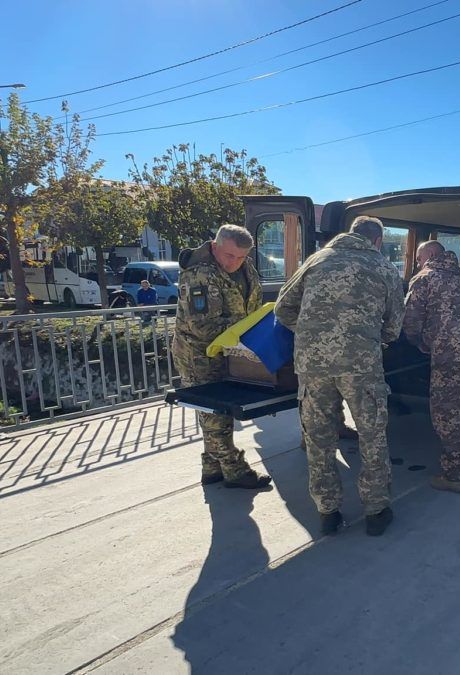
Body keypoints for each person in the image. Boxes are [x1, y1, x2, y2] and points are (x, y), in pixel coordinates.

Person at [275, 216, 405, 537]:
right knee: (372, 435)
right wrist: (373, 340)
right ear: (377, 240)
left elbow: (282, 308)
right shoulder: (384, 268)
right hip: (361, 366)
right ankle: (376, 512)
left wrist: (312, 335)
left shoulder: (316, 261)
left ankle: (327, 512)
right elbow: (394, 325)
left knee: (319, 439)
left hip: (312, 365)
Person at [172, 225, 272, 489]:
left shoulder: (245, 267)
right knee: (215, 414)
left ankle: (211, 467)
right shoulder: (199, 275)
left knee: (212, 413)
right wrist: (243, 335)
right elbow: (202, 326)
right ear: (215, 247)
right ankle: (234, 469)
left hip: (228, 352)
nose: (235, 263)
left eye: (241, 257)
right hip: (199, 354)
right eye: (230, 256)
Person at [402, 241, 460, 494]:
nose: (418, 264)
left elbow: (411, 320)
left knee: (447, 411)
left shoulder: (424, 278)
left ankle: (455, 474)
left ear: (429, 255)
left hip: (450, 353)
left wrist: (417, 342)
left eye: (418, 259)